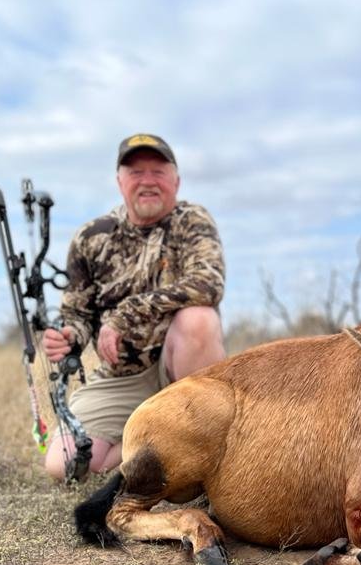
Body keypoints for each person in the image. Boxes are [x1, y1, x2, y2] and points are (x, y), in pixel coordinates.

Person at [42, 133, 226, 481]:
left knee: (198, 319)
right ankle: (155, 445)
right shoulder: (91, 237)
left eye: (158, 172)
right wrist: (69, 336)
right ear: (119, 182)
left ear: (176, 181)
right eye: (136, 172)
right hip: (120, 376)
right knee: (64, 465)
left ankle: (206, 459)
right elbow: (78, 314)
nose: (147, 181)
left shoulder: (192, 220)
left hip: (179, 367)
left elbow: (209, 284)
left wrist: (127, 313)